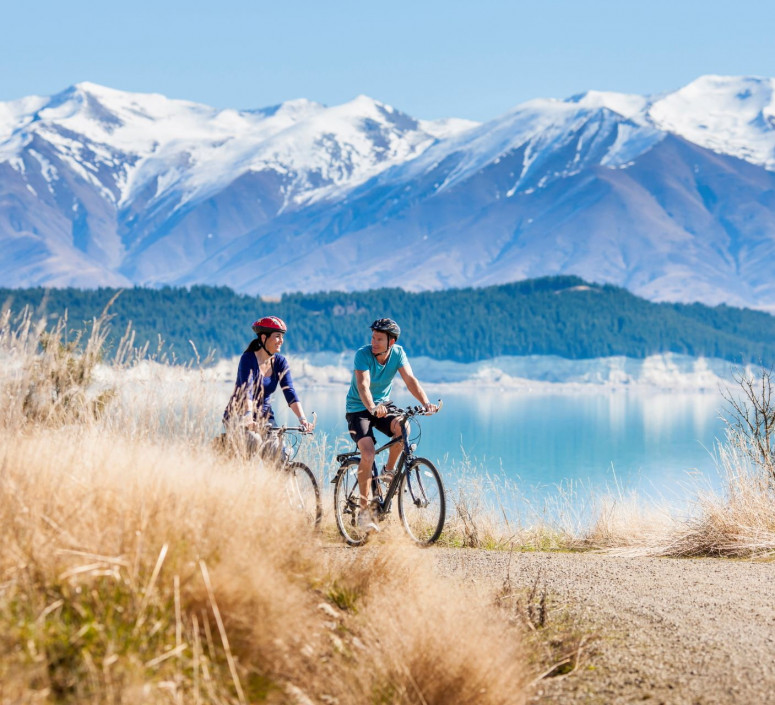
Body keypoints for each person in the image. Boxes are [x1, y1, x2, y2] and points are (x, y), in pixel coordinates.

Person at [345, 318, 438, 532]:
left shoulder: (398, 354)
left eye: (379, 339)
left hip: (384, 407)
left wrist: (425, 403)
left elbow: (410, 380)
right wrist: (371, 407)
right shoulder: (363, 354)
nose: (374, 342)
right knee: (367, 454)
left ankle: (388, 470)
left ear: (391, 342)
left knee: (403, 428)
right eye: (373, 338)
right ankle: (364, 511)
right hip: (358, 409)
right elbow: (363, 385)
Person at [224, 316, 313, 458]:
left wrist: (302, 419)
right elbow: (247, 390)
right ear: (264, 338)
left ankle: (275, 479)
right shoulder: (248, 359)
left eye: (282, 337)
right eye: (277, 336)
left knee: (281, 453)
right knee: (254, 441)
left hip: (265, 416)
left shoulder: (280, 362)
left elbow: (289, 391)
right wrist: (248, 416)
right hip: (239, 414)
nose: (281, 341)